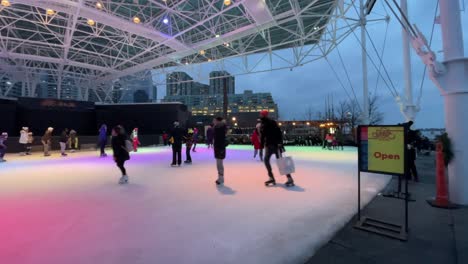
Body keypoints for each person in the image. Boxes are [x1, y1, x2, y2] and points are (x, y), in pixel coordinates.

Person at [260, 110, 295, 187]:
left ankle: (272, 177)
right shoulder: (271, 122)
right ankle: (288, 178)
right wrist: (280, 143)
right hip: (274, 145)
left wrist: (261, 146)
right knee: (280, 161)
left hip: (271, 145)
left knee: (269, 160)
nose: (261, 115)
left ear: (263, 115)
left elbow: (263, 136)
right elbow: (278, 132)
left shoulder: (265, 124)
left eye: (262, 114)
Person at [213, 117, 227, 185]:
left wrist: (221, 148)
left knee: (219, 164)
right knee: (218, 164)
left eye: (214, 120)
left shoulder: (220, 128)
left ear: (218, 121)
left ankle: (221, 178)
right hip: (218, 147)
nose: (213, 121)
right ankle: (220, 178)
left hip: (220, 148)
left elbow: (221, 139)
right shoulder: (217, 127)